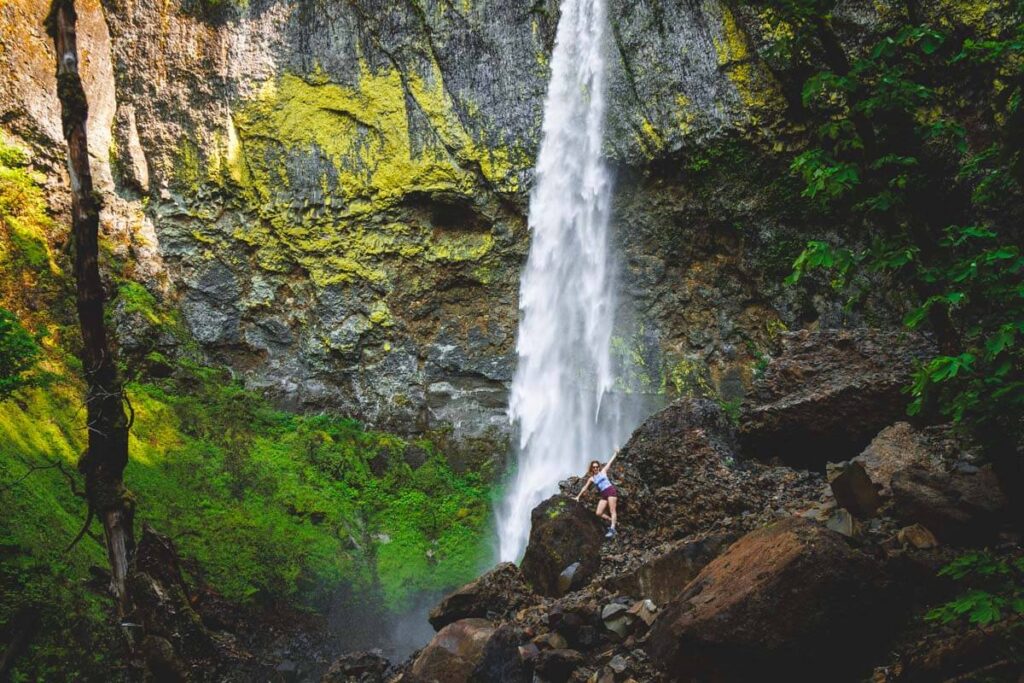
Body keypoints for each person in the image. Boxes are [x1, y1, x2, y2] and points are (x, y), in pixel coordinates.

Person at [575, 449, 620, 538]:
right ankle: (613, 521)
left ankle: (613, 529)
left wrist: (615, 453)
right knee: (598, 513)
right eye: (594, 467)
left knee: (612, 511)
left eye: (596, 466)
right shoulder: (592, 478)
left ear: (598, 467)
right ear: (592, 468)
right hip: (603, 495)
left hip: (610, 491)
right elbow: (585, 488)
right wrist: (578, 497)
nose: (595, 468)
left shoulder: (603, 471)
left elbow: (610, 463)